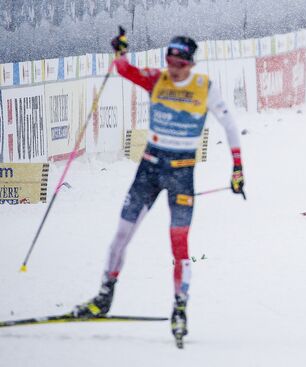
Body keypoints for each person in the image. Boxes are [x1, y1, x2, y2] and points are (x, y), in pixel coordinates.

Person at [72, 29, 245, 345]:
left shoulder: (204, 87)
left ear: (190, 64)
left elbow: (230, 126)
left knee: (179, 245)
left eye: (180, 63)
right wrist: (120, 50)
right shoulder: (157, 79)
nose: (174, 68)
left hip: (181, 173)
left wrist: (237, 168)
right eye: (170, 61)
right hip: (149, 169)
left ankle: (180, 308)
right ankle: (103, 297)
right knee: (120, 236)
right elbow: (124, 70)